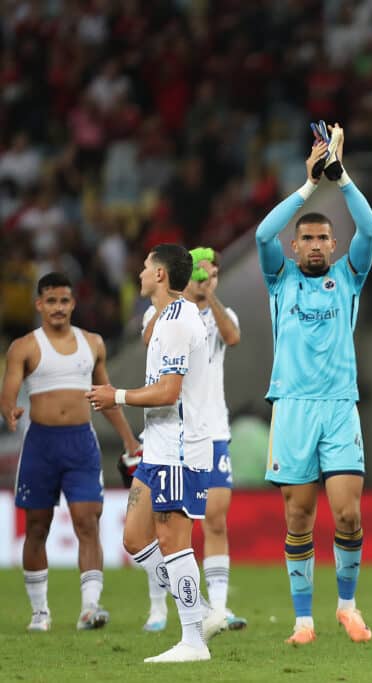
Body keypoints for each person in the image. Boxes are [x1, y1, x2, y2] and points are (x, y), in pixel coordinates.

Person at [254, 124, 372, 645]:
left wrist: (341, 178)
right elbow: (262, 235)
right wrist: (307, 185)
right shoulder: (278, 276)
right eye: (305, 237)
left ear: (333, 244)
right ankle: (303, 619)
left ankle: (347, 606)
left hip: (338, 406)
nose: (313, 245)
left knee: (348, 511)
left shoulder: (349, 274)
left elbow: (369, 231)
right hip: (292, 406)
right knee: (299, 514)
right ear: (295, 245)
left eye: (322, 237)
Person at [87, 244, 213, 663]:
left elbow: (169, 391)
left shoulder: (178, 321)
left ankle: (193, 639)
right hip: (158, 447)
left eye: (145, 267)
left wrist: (116, 395)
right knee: (134, 537)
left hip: (179, 447)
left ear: (160, 274)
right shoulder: (164, 319)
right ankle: (200, 609)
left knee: (173, 540)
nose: (139, 273)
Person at [1, 273, 141, 632]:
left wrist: (128, 439)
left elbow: (105, 396)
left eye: (64, 301)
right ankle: (40, 613)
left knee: (87, 522)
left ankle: (89, 609)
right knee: (36, 528)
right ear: (39, 305)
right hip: (41, 446)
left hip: (81, 445)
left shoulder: (92, 343)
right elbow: (10, 389)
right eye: (51, 301)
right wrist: (10, 409)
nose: (58, 308)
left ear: (73, 304)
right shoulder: (24, 347)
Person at [140, 247, 245, 632]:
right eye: (202, 274)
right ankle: (160, 606)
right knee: (160, 525)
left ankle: (217, 608)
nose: (207, 279)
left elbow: (233, 338)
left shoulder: (222, 316)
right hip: (169, 432)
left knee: (215, 519)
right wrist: (185, 296)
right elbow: (146, 339)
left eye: (214, 274)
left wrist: (208, 296)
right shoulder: (161, 312)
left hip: (212, 430)